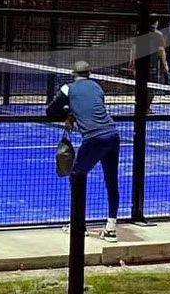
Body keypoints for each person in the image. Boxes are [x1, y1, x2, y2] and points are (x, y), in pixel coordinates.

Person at [47, 60, 120, 242]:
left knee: (76, 175)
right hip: (113, 134)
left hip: (94, 138)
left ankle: (78, 224)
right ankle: (111, 228)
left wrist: (67, 112)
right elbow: (93, 107)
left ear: (74, 74)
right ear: (89, 74)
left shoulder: (67, 88)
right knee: (111, 180)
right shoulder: (97, 87)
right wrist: (73, 112)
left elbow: (50, 110)